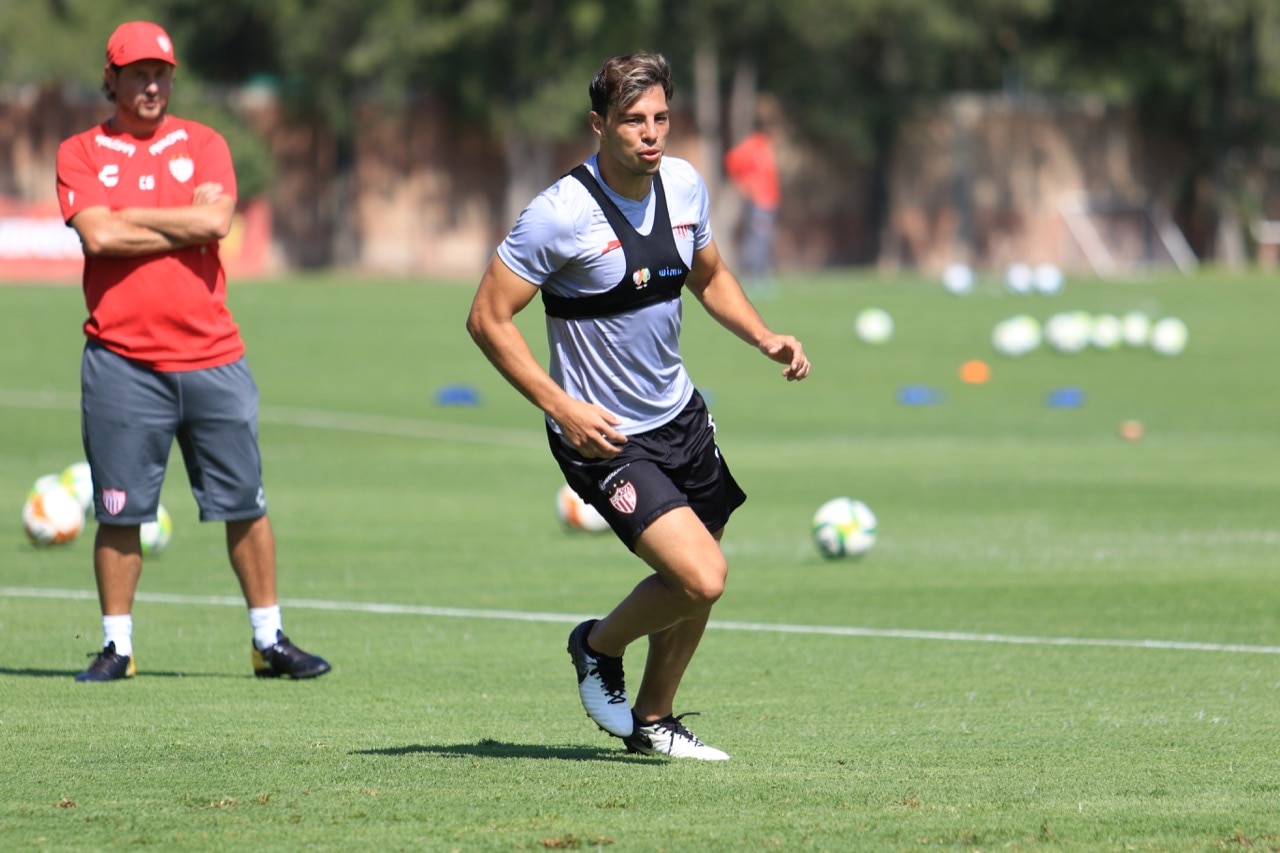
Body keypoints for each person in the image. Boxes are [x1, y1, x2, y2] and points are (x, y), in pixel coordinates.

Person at [466, 53, 809, 760]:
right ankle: (595, 645)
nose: (651, 134)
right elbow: (487, 318)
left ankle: (653, 722)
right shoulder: (557, 215)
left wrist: (763, 335)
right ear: (599, 125)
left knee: (695, 581)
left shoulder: (684, 186)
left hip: (680, 417)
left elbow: (709, 278)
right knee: (701, 575)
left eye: (660, 119)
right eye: (633, 121)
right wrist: (561, 405)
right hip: (604, 435)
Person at [55, 21, 330, 683]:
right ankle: (117, 646)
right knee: (121, 511)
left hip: (213, 357)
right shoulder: (81, 152)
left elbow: (214, 222)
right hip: (121, 361)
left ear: (172, 78)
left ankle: (269, 639)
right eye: (137, 72)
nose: (151, 84)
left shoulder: (204, 143)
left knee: (245, 502)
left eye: (161, 72)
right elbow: (97, 238)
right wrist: (171, 220)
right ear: (112, 78)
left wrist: (129, 217)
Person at [723, 102, 781, 290]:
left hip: (769, 203)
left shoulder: (766, 146)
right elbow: (731, 161)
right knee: (757, 240)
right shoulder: (751, 146)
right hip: (758, 203)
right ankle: (753, 277)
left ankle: (761, 275)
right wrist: (743, 187)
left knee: (764, 240)